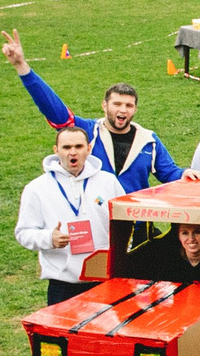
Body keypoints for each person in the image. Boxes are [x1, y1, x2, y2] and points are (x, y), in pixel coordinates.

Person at [0, 31, 182, 189]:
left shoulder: (148, 140)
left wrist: (188, 173)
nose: (123, 110)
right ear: (104, 106)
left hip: (136, 224)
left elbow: (169, 173)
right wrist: (21, 66)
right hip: (97, 221)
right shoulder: (86, 131)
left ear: (135, 109)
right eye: (117, 104)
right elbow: (52, 108)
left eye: (128, 105)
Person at [14, 123, 125, 304]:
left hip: (103, 281)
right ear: (56, 150)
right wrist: (49, 238)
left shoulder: (108, 181)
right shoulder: (36, 189)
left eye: (78, 147)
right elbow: (23, 233)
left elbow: (124, 222)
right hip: (63, 285)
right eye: (66, 147)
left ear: (89, 149)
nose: (72, 152)